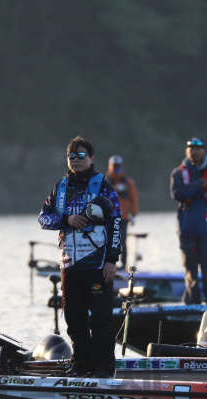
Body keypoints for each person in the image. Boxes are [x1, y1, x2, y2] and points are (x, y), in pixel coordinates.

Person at [38, 135, 122, 378]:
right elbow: (43, 218)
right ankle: (80, 365)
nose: (75, 160)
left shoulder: (103, 187)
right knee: (74, 319)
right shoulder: (60, 188)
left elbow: (116, 224)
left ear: (92, 158)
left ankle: (104, 369)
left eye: (81, 155)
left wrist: (112, 260)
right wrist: (67, 220)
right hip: (70, 265)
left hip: (97, 264)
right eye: (71, 156)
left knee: (101, 320)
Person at [170, 137, 207, 305]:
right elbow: (177, 194)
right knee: (190, 267)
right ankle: (192, 299)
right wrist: (199, 184)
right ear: (186, 152)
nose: (194, 152)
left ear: (204, 151)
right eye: (191, 148)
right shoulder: (178, 173)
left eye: (198, 148)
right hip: (186, 229)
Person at [105, 155, 139, 269]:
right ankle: (107, 263)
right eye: (114, 166)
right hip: (107, 218)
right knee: (107, 241)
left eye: (117, 166)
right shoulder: (104, 182)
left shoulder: (128, 182)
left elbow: (134, 199)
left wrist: (133, 214)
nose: (116, 168)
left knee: (122, 241)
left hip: (123, 217)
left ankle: (123, 264)